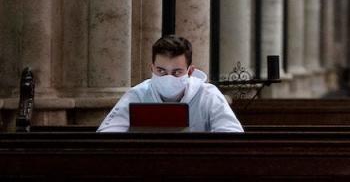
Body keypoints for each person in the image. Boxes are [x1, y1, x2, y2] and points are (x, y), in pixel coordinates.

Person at [97, 35, 244, 133]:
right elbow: (108, 135)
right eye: (160, 71)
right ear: (152, 68)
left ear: (190, 71)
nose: (168, 78)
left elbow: (232, 136)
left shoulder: (208, 95)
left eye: (177, 72)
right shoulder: (137, 94)